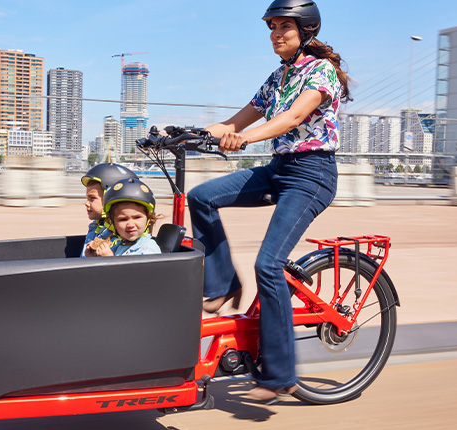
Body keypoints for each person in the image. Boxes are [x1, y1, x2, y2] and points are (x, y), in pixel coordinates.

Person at [186, 0, 350, 402]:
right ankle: (224, 285)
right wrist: (183, 135)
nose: (276, 33)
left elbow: (291, 119)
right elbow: (234, 122)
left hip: (312, 175)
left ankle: (280, 376)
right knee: (201, 197)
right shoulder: (277, 77)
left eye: (285, 27)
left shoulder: (321, 71)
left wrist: (245, 139)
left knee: (268, 264)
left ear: (306, 31)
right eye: (272, 26)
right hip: (279, 168)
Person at [85, 178, 161, 257]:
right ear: (112, 223)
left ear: (148, 219)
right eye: (123, 219)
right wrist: (93, 257)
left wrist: (109, 259)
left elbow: (136, 269)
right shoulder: (117, 244)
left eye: (137, 217)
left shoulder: (148, 249)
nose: (130, 225)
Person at [80, 163, 139, 257]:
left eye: (92, 198)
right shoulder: (98, 228)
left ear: (110, 199)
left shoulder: (125, 237)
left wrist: (109, 259)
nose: (86, 203)